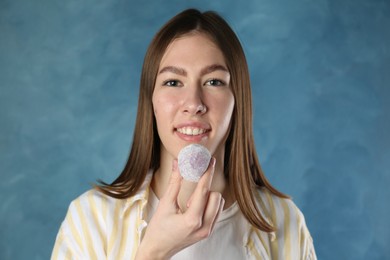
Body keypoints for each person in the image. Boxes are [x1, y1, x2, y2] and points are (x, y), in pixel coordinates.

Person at [51, 8, 316, 259]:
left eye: (213, 82)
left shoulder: (284, 221)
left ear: (238, 100)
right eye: (173, 82)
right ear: (151, 100)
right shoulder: (91, 218)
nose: (194, 103)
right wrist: (153, 253)